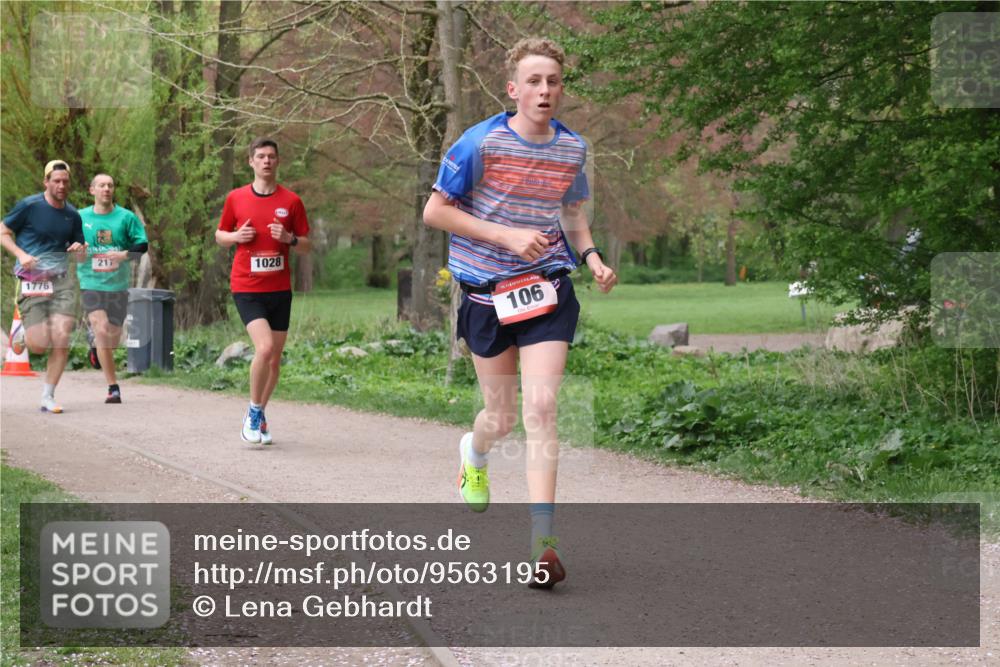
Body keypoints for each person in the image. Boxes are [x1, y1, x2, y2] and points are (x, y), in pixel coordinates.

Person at [423, 38, 617, 588]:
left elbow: (572, 215)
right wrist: (506, 235)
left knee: (542, 407)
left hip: (547, 288)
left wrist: (593, 258)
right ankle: (474, 449)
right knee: (501, 418)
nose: (545, 91)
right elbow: (435, 211)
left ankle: (543, 545)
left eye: (553, 82)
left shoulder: (571, 149)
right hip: (486, 294)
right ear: (513, 90)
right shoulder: (478, 142)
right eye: (533, 81)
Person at [215, 138, 310, 445]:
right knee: (265, 348)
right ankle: (254, 413)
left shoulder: (291, 201)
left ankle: (259, 412)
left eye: (271, 156)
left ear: (278, 161)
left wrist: (290, 238)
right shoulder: (236, 198)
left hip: (279, 289)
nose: (266, 161)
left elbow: (307, 245)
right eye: (260, 156)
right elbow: (219, 235)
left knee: (274, 360)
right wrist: (235, 236)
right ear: (251, 162)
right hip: (247, 287)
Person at [0, 160, 86, 413]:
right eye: (56, 181)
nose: (61, 185)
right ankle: (25, 335)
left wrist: (80, 249)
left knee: (61, 338)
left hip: (61, 282)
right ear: (46, 182)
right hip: (31, 280)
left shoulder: (72, 214)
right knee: (39, 345)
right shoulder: (29, 206)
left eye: (65, 181)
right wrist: (21, 254)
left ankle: (48, 396)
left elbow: (80, 251)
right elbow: (3, 231)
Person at [76, 173, 149, 403]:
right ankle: (113, 387)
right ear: (92, 190)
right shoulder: (80, 217)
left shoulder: (125, 217)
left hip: (118, 285)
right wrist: (76, 251)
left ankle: (95, 347)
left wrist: (123, 254)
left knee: (113, 340)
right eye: (102, 185)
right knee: (101, 329)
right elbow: (69, 246)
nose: (106, 188)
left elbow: (142, 245)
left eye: (110, 185)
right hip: (90, 283)